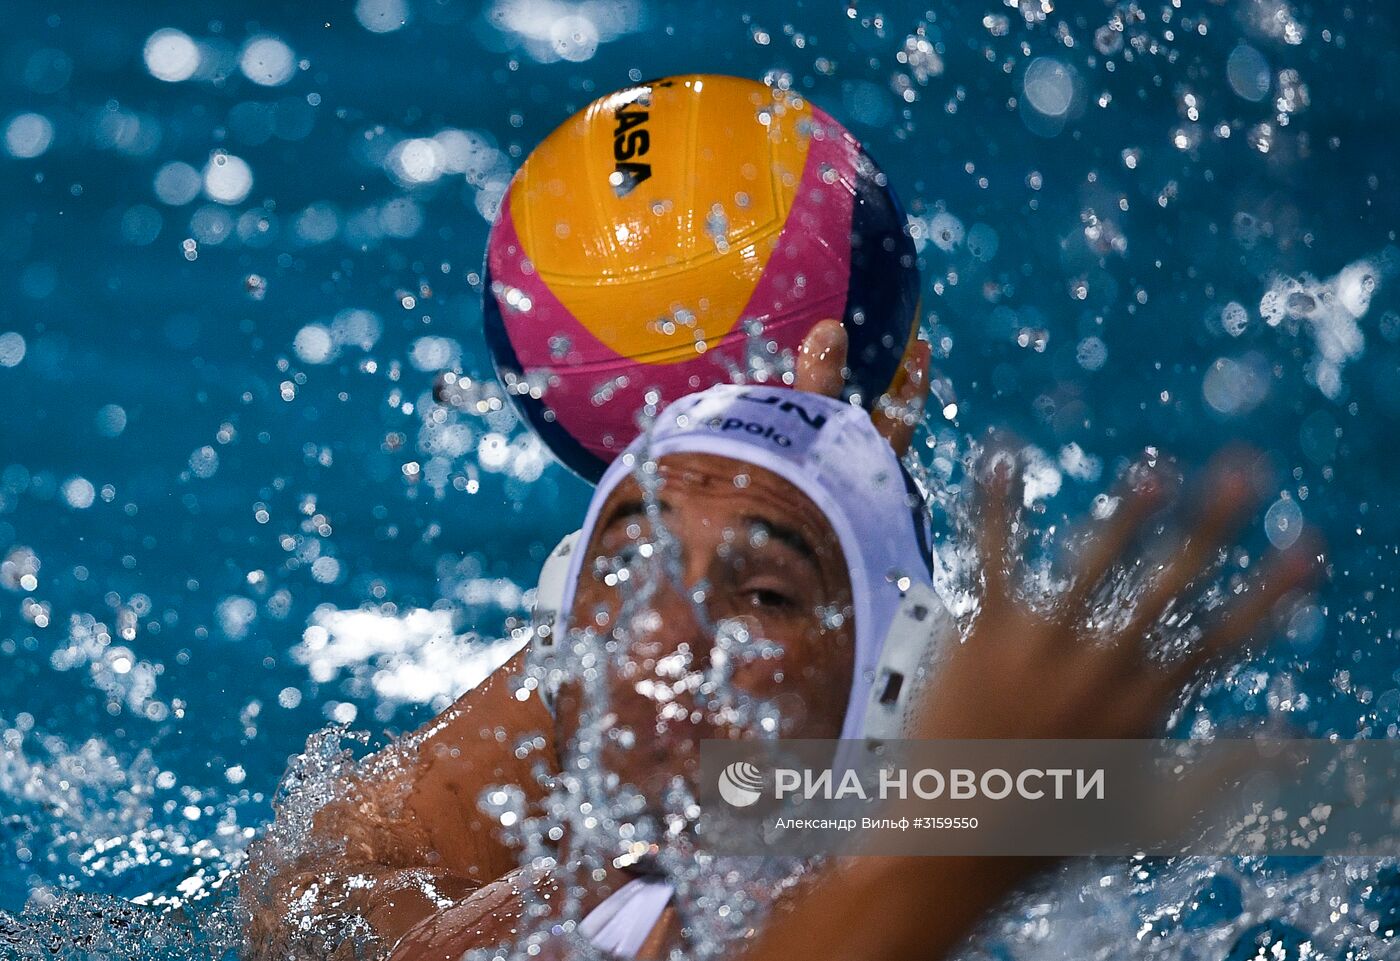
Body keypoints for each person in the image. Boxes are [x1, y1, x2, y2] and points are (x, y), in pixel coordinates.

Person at [241, 322, 1319, 961]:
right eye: (628, 569)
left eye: (760, 593)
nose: (666, 628)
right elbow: (310, 902)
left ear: (888, 679)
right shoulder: (558, 905)